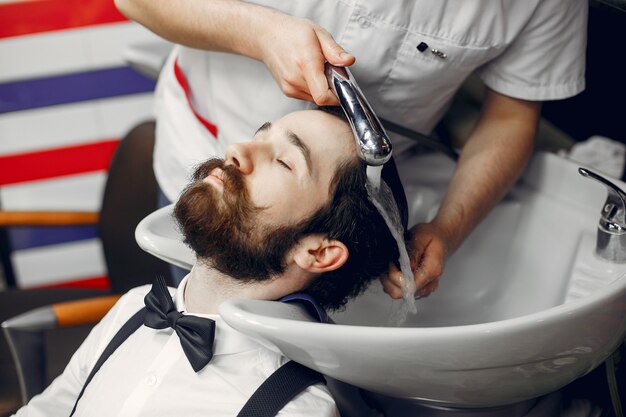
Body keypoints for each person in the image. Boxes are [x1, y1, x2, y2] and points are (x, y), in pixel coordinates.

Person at [114, 0, 588, 297]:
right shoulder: (229, 159)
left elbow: (509, 116)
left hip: (344, 207)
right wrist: (257, 32)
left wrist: (448, 228)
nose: (239, 150)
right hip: (203, 144)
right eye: (263, 137)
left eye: (279, 154)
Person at [12, 108, 407, 417]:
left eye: (284, 161)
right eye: (258, 136)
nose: (237, 151)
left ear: (318, 251)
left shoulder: (295, 409)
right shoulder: (132, 308)